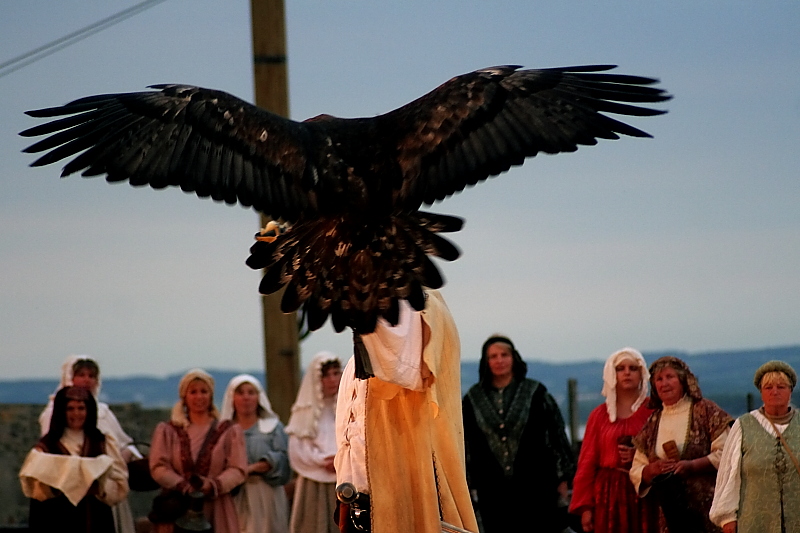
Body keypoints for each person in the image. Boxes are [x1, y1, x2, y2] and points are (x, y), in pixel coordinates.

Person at [334, 289, 479, 533]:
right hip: (361, 502)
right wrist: (344, 506)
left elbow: (409, 359)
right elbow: (347, 439)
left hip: (417, 495)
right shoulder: (353, 367)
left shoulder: (424, 311)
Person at [462, 335, 575, 533]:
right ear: (486, 362)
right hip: (492, 489)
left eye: (504, 354)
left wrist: (563, 479)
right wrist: (467, 483)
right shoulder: (473, 399)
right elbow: (466, 445)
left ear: (514, 358)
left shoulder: (536, 392)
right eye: (493, 356)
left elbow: (556, 436)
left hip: (536, 485)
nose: (499, 360)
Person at [630, 356, 732, 533]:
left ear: (683, 380)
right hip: (671, 514)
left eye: (670, 377)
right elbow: (636, 469)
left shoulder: (706, 411)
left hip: (710, 508)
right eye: (659, 379)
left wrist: (693, 466)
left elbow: (728, 452)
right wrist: (653, 470)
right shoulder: (653, 423)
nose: (664, 384)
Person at [38, 355, 140, 533]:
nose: (86, 380)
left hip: (102, 497)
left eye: (91, 376)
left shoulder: (104, 413)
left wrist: (120, 456)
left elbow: (123, 443)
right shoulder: (52, 414)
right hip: (65, 501)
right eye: (81, 375)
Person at [148, 368, 247, 533]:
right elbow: (158, 466)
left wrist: (213, 485)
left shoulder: (228, 431)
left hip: (216, 506)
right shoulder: (169, 431)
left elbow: (237, 468)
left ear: (211, 396)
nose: (199, 397)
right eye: (193, 392)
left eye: (204, 392)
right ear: (184, 397)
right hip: (178, 506)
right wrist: (182, 485)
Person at [20, 386, 129, 533]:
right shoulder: (46, 447)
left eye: (81, 408)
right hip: (56, 520)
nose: (76, 414)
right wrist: (57, 485)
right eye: (70, 409)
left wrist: (100, 488)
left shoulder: (102, 442)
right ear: (61, 412)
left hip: (95, 519)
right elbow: (34, 489)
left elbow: (120, 481)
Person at [570, 347, 655, 533]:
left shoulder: (654, 411)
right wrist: (585, 508)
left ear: (642, 374)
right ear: (611, 373)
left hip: (646, 490)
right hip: (608, 494)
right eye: (620, 368)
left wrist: (640, 456)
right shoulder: (599, 416)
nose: (627, 373)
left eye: (633, 368)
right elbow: (587, 463)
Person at [710, 360, 800, 533]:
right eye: (768, 387)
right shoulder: (743, 426)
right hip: (755, 521)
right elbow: (729, 474)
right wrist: (727, 518)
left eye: (781, 387)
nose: (775, 392)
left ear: (790, 391)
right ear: (761, 393)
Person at [220, 374, 291, 533]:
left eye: (251, 392)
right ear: (232, 398)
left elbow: (282, 458)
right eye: (241, 393)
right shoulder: (223, 431)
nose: (246, 397)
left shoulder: (272, 427)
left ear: (258, 397)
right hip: (236, 494)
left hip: (267, 493)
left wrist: (254, 468)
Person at [286, 352, 342, 533]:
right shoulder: (304, 413)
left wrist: (341, 461)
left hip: (344, 480)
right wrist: (322, 461)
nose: (332, 379)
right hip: (313, 484)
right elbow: (297, 449)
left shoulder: (346, 408)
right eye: (327, 375)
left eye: (336, 373)